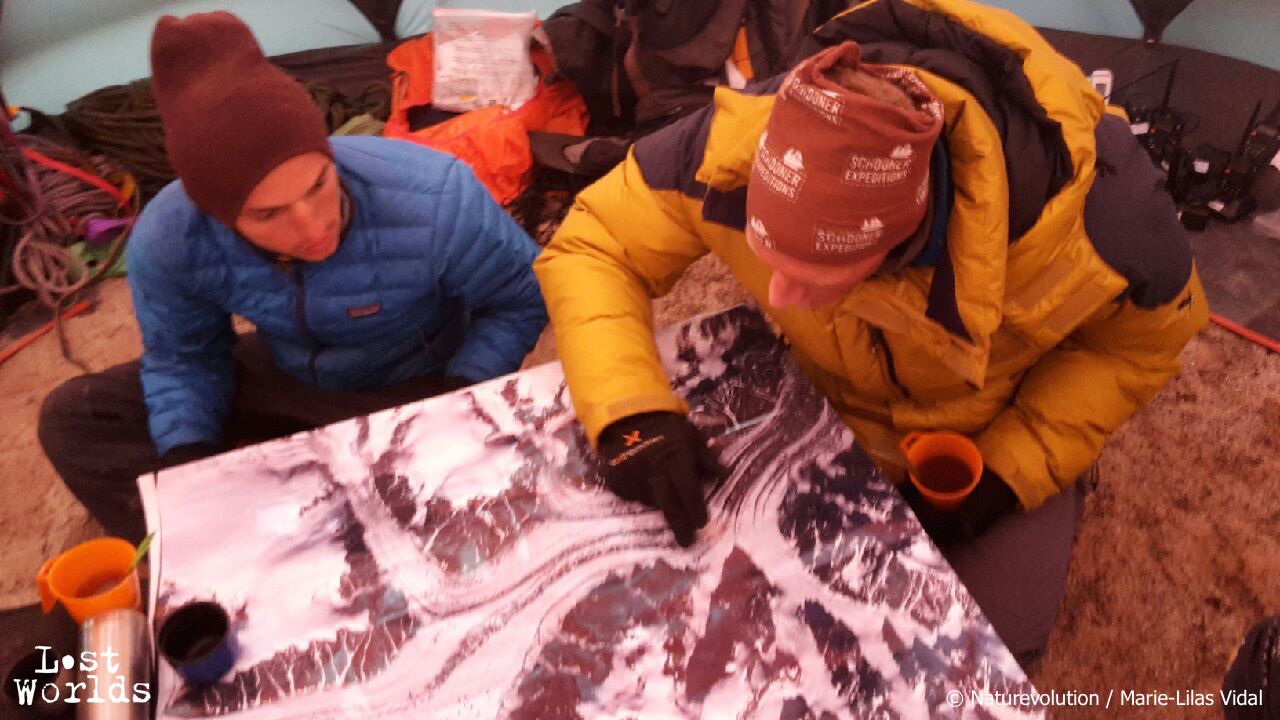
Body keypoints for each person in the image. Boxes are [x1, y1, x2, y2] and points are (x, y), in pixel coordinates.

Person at [533, 0, 1207, 663]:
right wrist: (629, 412)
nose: (777, 294)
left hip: (990, 430)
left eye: (811, 272)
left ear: (898, 248)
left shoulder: (1104, 216)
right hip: (826, 400)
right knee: (731, 623)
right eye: (770, 256)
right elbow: (594, 241)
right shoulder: (732, 145)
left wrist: (1011, 470)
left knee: (990, 648)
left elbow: (1143, 345)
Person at [38, 11, 548, 544]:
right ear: (218, 214)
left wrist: (458, 398)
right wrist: (189, 458)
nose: (312, 226)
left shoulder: (434, 194)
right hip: (287, 377)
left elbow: (521, 297)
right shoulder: (171, 237)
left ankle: (324, 512)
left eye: (319, 184)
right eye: (268, 215)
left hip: (415, 381)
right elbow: (186, 357)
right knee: (76, 418)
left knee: (452, 502)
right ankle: (210, 554)